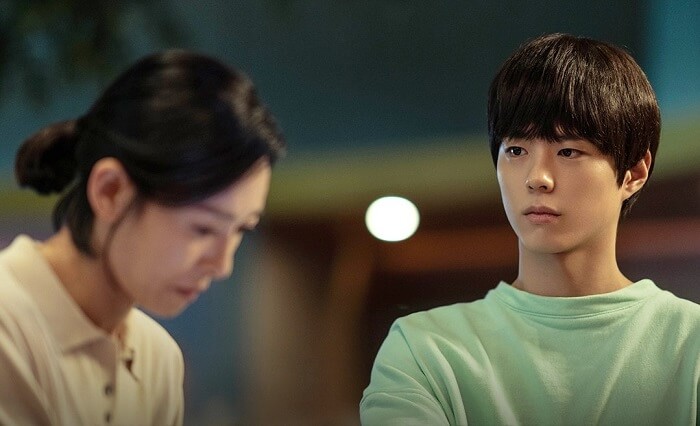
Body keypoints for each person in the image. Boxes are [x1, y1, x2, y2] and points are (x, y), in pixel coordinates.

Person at [360, 33, 700, 425]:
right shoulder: (426, 349)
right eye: (516, 150)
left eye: (568, 151)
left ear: (634, 173)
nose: (537, 177)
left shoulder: (689, 344)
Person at [0, 49, 285, 425]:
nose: (222, 265)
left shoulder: (158, 358)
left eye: (242, 229)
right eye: (202, 228)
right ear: (111, 191)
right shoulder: (8, 324)